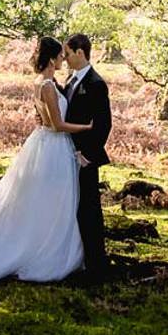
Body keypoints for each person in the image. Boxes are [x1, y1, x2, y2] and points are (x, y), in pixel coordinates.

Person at [0, 36, 92, 282]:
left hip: (42, 142)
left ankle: (39, 239)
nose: (63, 59)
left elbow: (43, 118)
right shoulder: (48, 86)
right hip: (54, 146)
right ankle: (45, 249)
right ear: (51, 59)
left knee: (40, 198)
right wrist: (85, 127)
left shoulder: (41, 82)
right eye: (60, 56)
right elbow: (57, 125)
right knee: (55, 199)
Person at [62, 31, 112, 277]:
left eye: (68, 53)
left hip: (85, 157)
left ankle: (97, 263)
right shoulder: (70, 80)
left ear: (80, 53)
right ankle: (77, 257)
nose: (65, 58)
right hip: (67, 155)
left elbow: (104, 124)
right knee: (73, 206)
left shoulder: (96, 83)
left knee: (90, 207)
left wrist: (88, 155)